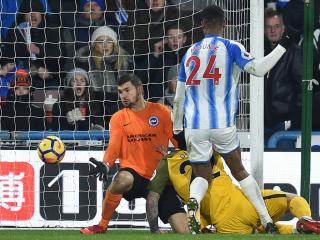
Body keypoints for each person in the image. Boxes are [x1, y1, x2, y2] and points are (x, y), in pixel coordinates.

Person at [172, 5, 291, 233]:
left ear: (201, 25)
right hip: (222, 124)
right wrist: (283, 45)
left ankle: (194, 202)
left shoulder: (189, 53)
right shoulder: (230, 46)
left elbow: (178, 97)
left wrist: (177, 127)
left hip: (194, 126)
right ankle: (266, 220)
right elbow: (258, 69)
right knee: (239, 171)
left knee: (202, 175)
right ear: (225, 24)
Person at [80, 73, 187, 234]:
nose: (123, 95)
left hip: (160, 177)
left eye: (127, 90)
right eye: (120, 92)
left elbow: (181, 145)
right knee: (122, 178)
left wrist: (172, 156)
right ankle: (102, 224)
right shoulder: (118, 118)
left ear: (140, 89)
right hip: (134, 174)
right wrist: (106, 164)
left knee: (184, 231)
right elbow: (114, 146)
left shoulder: (163, 112)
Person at [146, 147, 320, 234]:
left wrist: (154, 229)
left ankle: (297, 230)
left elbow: (152, 199)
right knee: (293, 199)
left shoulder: (167, 163)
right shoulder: (208, 151)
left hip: (225, 224)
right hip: (245, 203)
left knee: (256, 231)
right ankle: (304, 220)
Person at [264, 8, 302, 144]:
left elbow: (302, 92)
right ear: (264, 30)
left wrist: (293, 120)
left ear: (283, 28)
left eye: (276, 26)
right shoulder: (260, 53)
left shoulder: (294, 53)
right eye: (268, 27)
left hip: (284, 126)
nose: (272, 30)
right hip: (262, 125)